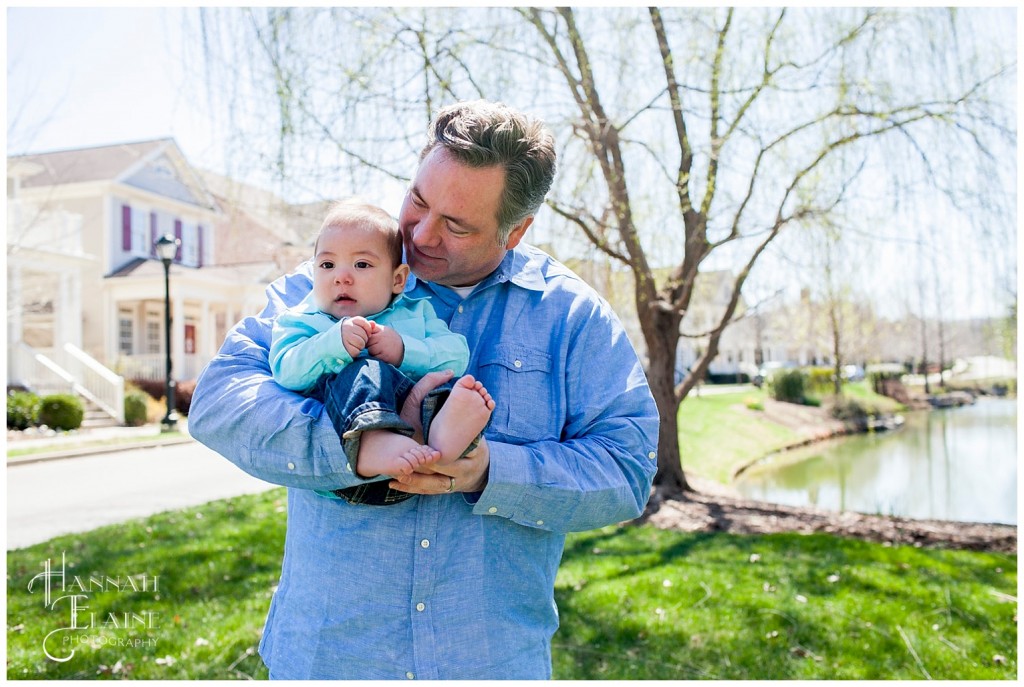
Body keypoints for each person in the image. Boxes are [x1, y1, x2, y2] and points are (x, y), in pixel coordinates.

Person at [189, 99, 659, 680]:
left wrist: (488, 470)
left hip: (487, 663)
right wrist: (355, 448)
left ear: (516, 231)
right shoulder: (332, 280)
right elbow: (219, 404)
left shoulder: (571, 317)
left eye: (457, 224)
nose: (421, 233)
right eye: (417, 199)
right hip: (331, 658)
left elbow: (627, 468)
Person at [269, 200, 494, 505]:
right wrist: (332, 344)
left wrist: (404, 350)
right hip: (356, 472)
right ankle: (373, 439)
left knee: (445, 387)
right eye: (327, 265)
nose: (341, 277)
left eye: (361, 264)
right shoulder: (306, 319)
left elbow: (456, 356)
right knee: (366, 371)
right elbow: (285, 368)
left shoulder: (416, 313)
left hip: (416, 463)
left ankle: (445, 437)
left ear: (398, 279)